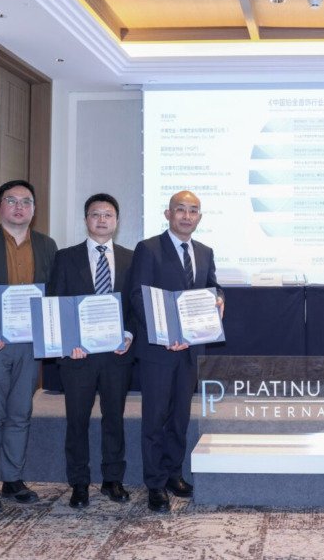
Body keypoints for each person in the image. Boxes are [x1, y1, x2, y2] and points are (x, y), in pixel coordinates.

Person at [0, 180, 58, 512]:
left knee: (20, 413)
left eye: (26, 201)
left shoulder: (47, 245)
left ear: (34, 208)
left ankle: (12, 479)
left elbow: (53, 294)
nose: (19, 207)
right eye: (11, 200)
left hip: (30, 345)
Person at [126, 190, 224, 512]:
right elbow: (138, 296)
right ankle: (154, 484)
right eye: (180, 209)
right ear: (168, 214)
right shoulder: (148, 249)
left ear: (199, 217)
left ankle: (173, 474)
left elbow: (211, 286)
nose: (186, 215)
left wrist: (219, 299)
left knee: (180, 417)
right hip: (159, 350)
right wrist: (165, 335)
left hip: (190, 351)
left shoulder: (205, 251)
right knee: (155, 417)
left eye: (193, 210)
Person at [48, 193, 135, 509]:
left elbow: (135, 306)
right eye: (96, 214)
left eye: (108, 214)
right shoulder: (65, 257)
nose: (102, 219)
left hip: (116, 356)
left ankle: (113, 480)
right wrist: (67, 343)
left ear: (116, 221)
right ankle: (79, 483)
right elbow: (57, 304)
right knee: (77, 421)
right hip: (78, 356)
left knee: (114, 418)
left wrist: (129, 334)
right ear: (86, 220)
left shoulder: (130, 258)